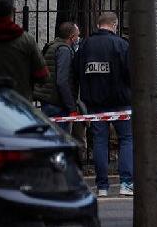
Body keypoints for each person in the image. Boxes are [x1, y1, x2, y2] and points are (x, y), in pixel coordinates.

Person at [73, 11, 133, 197]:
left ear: (99, 25)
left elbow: (76, 71)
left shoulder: (85, 45)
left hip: (95, 103)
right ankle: (126, 183)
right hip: (120, 101)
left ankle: (102, 186)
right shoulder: (121, 44)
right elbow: (131, 73)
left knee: (99, 142)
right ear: (114, 25)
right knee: (127, 139)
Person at [33, 21, 81, 118]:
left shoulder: (52, 46)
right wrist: (71, 107)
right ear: (72, 37)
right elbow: (62, 81)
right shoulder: (64, 50)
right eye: (77, 36)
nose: (78, 38)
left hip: (49, 99)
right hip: (57, 103)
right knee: (60, 132)